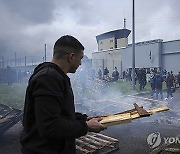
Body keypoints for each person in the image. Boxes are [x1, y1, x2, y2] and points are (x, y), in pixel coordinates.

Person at [20, 35, 106, 154]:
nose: (81, 63)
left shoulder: (54, 76)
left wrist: (83, 119)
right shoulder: (48, 78)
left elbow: (55, 112)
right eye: (80, 58)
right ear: (71, 57)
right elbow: (49, 125)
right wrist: (86, 126)